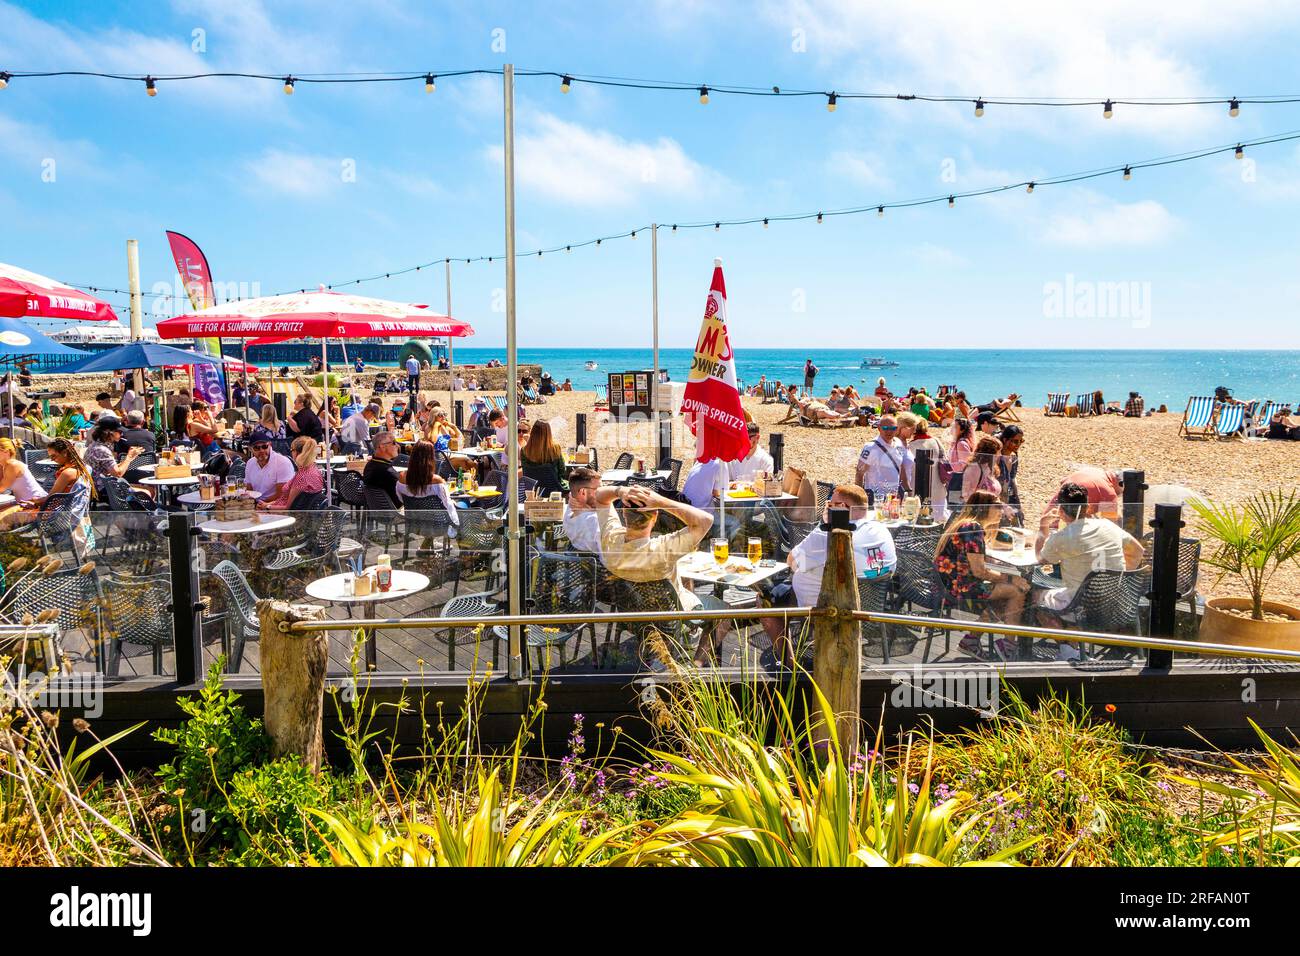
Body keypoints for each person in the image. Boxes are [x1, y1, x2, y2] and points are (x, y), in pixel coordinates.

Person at [761, 484, 896, 666]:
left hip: (825, 609)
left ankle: (789, 663)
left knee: (764, 599)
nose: (827, 508)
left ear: (842, 507)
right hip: (867, 610)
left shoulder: (827, 534)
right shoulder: (883, 531)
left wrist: (821, 530)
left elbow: (791, 560)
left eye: (830, 505)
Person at [593, 483, 725, 665]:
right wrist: (661, 501)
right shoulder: (662, 548)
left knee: (685, 584)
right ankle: (698, 664)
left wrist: (620, 491)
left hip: (633, 618)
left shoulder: (611, 540)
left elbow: (600, 495)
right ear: (654, 517)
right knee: (724, 610)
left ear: (623, 514)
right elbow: (706, 520)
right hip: (670, 618)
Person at [1034, 481, 1144, 657]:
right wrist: (1121, 574)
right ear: (1087, 507)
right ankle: (1071, 643)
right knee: (1069, 596)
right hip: (1119, 602)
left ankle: (1067, 647)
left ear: (1061, 511)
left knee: (1035, 598)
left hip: (1083, 607)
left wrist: (1043, 527)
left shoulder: (1062, 538)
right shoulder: (1108, 526)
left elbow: (1040, 559)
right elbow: (1138, 551)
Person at [934, 490, 1030, 657]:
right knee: (1017, 591)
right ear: (984, 507)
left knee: (1005, 597)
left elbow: (976, 562)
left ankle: (971, 640)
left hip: (948, 582)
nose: (1002, 511)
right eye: (998, 506)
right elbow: (979, 571)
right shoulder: (972, 528)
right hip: (958, 587)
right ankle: (1008, 647)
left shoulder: (967, 524)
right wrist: (1011, 578)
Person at [0, 437, 92, 534]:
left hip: (50, 517)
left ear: (65, 452)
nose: (52, 460)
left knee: (3, 517)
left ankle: (9, 545)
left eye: (54, 456)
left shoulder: (67, 473)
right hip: (65, 514)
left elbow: (50, 499)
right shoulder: (84, 469)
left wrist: (34, 502)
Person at [856, 414, 912, 502]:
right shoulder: (870, 447)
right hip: (876, 497)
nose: (889, 431)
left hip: (894, 497)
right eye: (885, 428)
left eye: (893, 428)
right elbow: (859, 473)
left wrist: (908, 491)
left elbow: (901, 468)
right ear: (879, 428)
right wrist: (858, 499)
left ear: (897, 429)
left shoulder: (898, 443)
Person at [260, 437, 325, 510]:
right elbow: (285, 499)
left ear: (297, 452)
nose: (291, 453)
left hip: (286, 516)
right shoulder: (314, 470)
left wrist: (267, 507)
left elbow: (288, 508)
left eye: (291, 450)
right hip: (303, 515)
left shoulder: (302, 477)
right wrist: (267, 504)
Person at [83, 419, 143, 492]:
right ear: (110, 433)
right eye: (120, 432)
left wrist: (131, 457)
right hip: (103, 488)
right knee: (147, 491)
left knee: (147, 489)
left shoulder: (95, 445)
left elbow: (110, 468)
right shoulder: (102, 450)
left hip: (99, 485)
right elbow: (117, 474)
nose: (122, 434)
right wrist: (129, 457)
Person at [1046, 466, 1122, 521]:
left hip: (1048, 517)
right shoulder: (1109, 493)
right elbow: (1110, 523)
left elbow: (1063, 481)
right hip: (1065, 525)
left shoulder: (1092, 470)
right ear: (1120, 484)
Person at [521, 419, 569, 496]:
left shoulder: (524, 450)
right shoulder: (555, 449)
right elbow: (562, 471)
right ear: (549, 433)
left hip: (533, 490)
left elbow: (525, 472)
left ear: (533, 432)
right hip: (554, 490)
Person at [563, 467, 604, 553]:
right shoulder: (593, 520)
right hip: (600, 564)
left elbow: (573, 492)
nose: (602, 492)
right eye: (598, 489)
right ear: (583, 492)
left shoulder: (571, 507)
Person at [0, 437, 46, 510]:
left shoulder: (13, 465)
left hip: (36, 506)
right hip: (25, 504)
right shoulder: (5, 465)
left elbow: (1, 488)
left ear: (7, 451)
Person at [363, 430, 403, 508]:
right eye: (394, 443)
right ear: (382, 446)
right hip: (397, 515)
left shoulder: (370, 465)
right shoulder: (386, 472)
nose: (397, 446)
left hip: (380, 513)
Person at [996, 425, 1024, 525]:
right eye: (1015, 441)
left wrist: (1017, 501)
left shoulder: (1014, 458)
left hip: (1010, 497)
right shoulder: (996, 458)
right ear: (1005, 440)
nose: (1018, 444)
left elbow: (1013, 479)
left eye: (1021, 441)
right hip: (997, 499)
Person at [961, 436, 1003, 502]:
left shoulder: (991, 468)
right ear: (990, 453)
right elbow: (967, 495)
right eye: (998, 452)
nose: (1000, 455)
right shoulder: (974, 468)